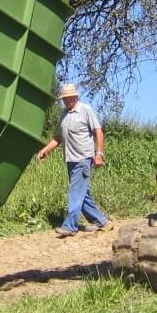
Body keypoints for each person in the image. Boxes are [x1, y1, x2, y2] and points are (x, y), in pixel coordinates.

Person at [35, 82, 109, 237]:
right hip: (70, 160)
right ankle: (100, 221)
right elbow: (58, 138)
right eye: (64, 99)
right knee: (82, 193)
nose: (67, 101)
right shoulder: (64, 114)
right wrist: (45, 150)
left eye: (69, 98)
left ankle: (70, 226)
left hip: (83, 159)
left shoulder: (85, 110)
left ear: (76, 97)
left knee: (75, 192)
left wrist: (99, 154)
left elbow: (98, 131)